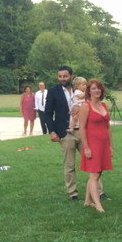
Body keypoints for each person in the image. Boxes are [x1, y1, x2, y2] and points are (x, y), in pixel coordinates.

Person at [44, 66, 83, 201]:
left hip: (83, 131)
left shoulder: (79, 89)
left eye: (65, 76)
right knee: (69, 165)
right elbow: (47, 114)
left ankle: (98, 191)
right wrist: (52, 131)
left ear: (71, 76)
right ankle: (73, 193)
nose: (62, 79)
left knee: (92, 161)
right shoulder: (53, 91)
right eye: (60, 76)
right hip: (65, 133)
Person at [79, 79, 112, 213]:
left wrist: (110, 146)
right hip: (92, 144)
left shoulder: (104, 106)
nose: (96, 91)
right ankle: (98, 204)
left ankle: (87, 201)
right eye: (93, 88)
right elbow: (82, 128)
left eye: (98, 88)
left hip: (103, 144)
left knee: (97, 174)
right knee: (94, 174)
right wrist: (86, 147)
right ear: (89, 91)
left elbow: (108, 127)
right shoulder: (85, 106)